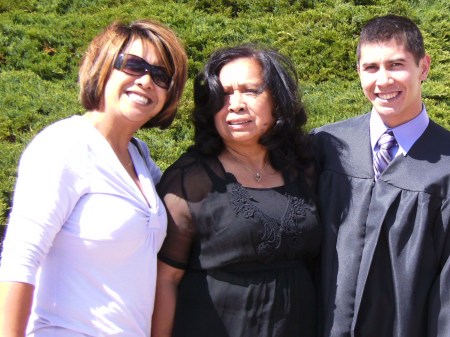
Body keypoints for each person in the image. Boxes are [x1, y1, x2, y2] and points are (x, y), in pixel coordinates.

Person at [0, 19, 187, 336]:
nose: (146, 81)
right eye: (134, 65)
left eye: (160, 76)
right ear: (103, 66)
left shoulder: (140, 159)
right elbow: (20, 259)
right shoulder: (64, 145)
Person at [151, 45, 322, 337]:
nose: (236, 104)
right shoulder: (190, 179)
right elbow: (165, 279)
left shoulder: (304, 168)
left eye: (251, 91)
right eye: (224, 93)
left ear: (278, 100)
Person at [313, 14, 450, 337]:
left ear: (424, 67)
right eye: (371, 68)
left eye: (397, 65)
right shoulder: (326, 146)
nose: (384, 80)